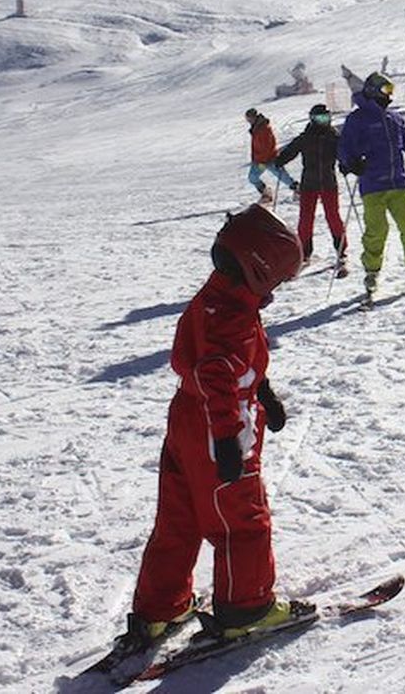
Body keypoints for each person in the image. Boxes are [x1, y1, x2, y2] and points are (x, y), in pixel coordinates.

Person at [119, 205, 307, 653]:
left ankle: (161, 609)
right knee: (242, 521)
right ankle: (247, 608)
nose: (275, 292)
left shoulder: (216, 297)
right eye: (276, 282)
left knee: (178, 520)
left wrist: (263, 391)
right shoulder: (234, 317)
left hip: (186, 419)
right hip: (218, 426)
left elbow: (219, 360)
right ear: (259, 269)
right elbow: (219, 373)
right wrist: (226, 440)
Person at [337, 72, 405, 302]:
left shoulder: (394, 118)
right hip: (372, 184)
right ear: (373, 91)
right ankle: (372, 272)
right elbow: (344, 148)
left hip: (397, 182)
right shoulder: (358, 119)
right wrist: (351, 164)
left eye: (391, 90)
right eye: (385, 90)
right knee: (376, 231)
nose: (389, 95)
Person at [276, 104, 348, 272]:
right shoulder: (306, 138)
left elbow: (344, 154)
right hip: (309, 184)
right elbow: (291, 150)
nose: (324, 121)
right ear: (312, 119)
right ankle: (304, 251)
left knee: (333, 217)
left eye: (326, 117)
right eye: (320, 118)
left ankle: (341, 249)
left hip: (328, 183)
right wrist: (281, 159)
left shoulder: (334, 137)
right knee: (306, 219)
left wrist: (347, 164)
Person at [245, 109, 299, 203]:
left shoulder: (264, 129)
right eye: (247, 119)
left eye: (249, 118)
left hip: (269, 159)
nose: (248, 121)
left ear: (254, 117)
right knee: (253, 177)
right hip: (260, 161)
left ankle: (299, 190)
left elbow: (268, 146)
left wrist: (264, 160)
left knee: (283, 177)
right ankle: (266, 193)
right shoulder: (256, 128)